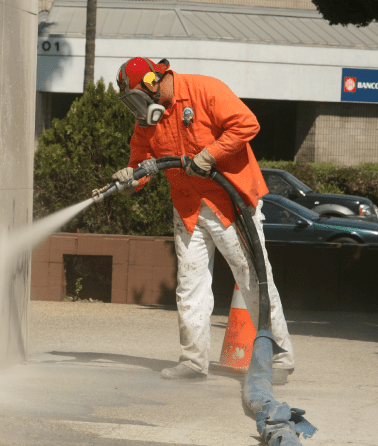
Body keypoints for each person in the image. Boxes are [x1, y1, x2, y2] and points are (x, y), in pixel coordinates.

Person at [112, 57, 294, 383]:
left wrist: (209, 155)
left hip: (231, 203)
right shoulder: (147, 121)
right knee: (189, 287)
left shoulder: (204, 89)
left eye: (138, 98)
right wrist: (128, 180)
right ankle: (194, 362)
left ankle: (279, 356)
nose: (138, 109)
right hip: (187, 208)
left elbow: (247, 123)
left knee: (253, 278)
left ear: (154, 81)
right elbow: (141, 165)